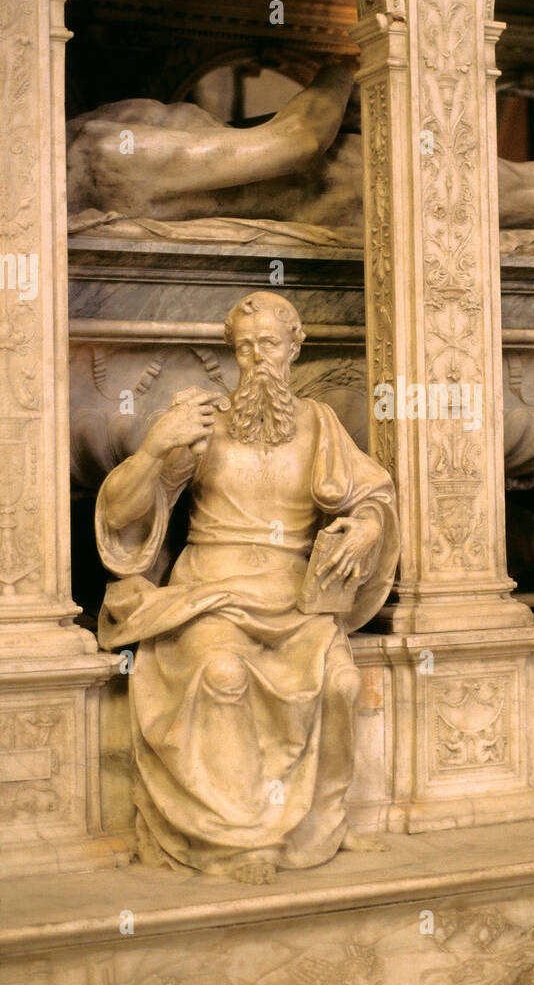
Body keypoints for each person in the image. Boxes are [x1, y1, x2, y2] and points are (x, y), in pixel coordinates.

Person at [96, 291, 399, 880]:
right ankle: (238, 837)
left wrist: (366, 528)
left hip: (296, 598)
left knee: (339, 681)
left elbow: (375, 497)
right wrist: (158, 447)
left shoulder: (320, 423)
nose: (259, 358)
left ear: (295, 346)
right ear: (233, 355)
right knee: (223, 675)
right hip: (212, 593)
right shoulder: (203, 421)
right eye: (246, 347)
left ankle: (321, 822)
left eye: (270, 345)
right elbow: (123, 516)